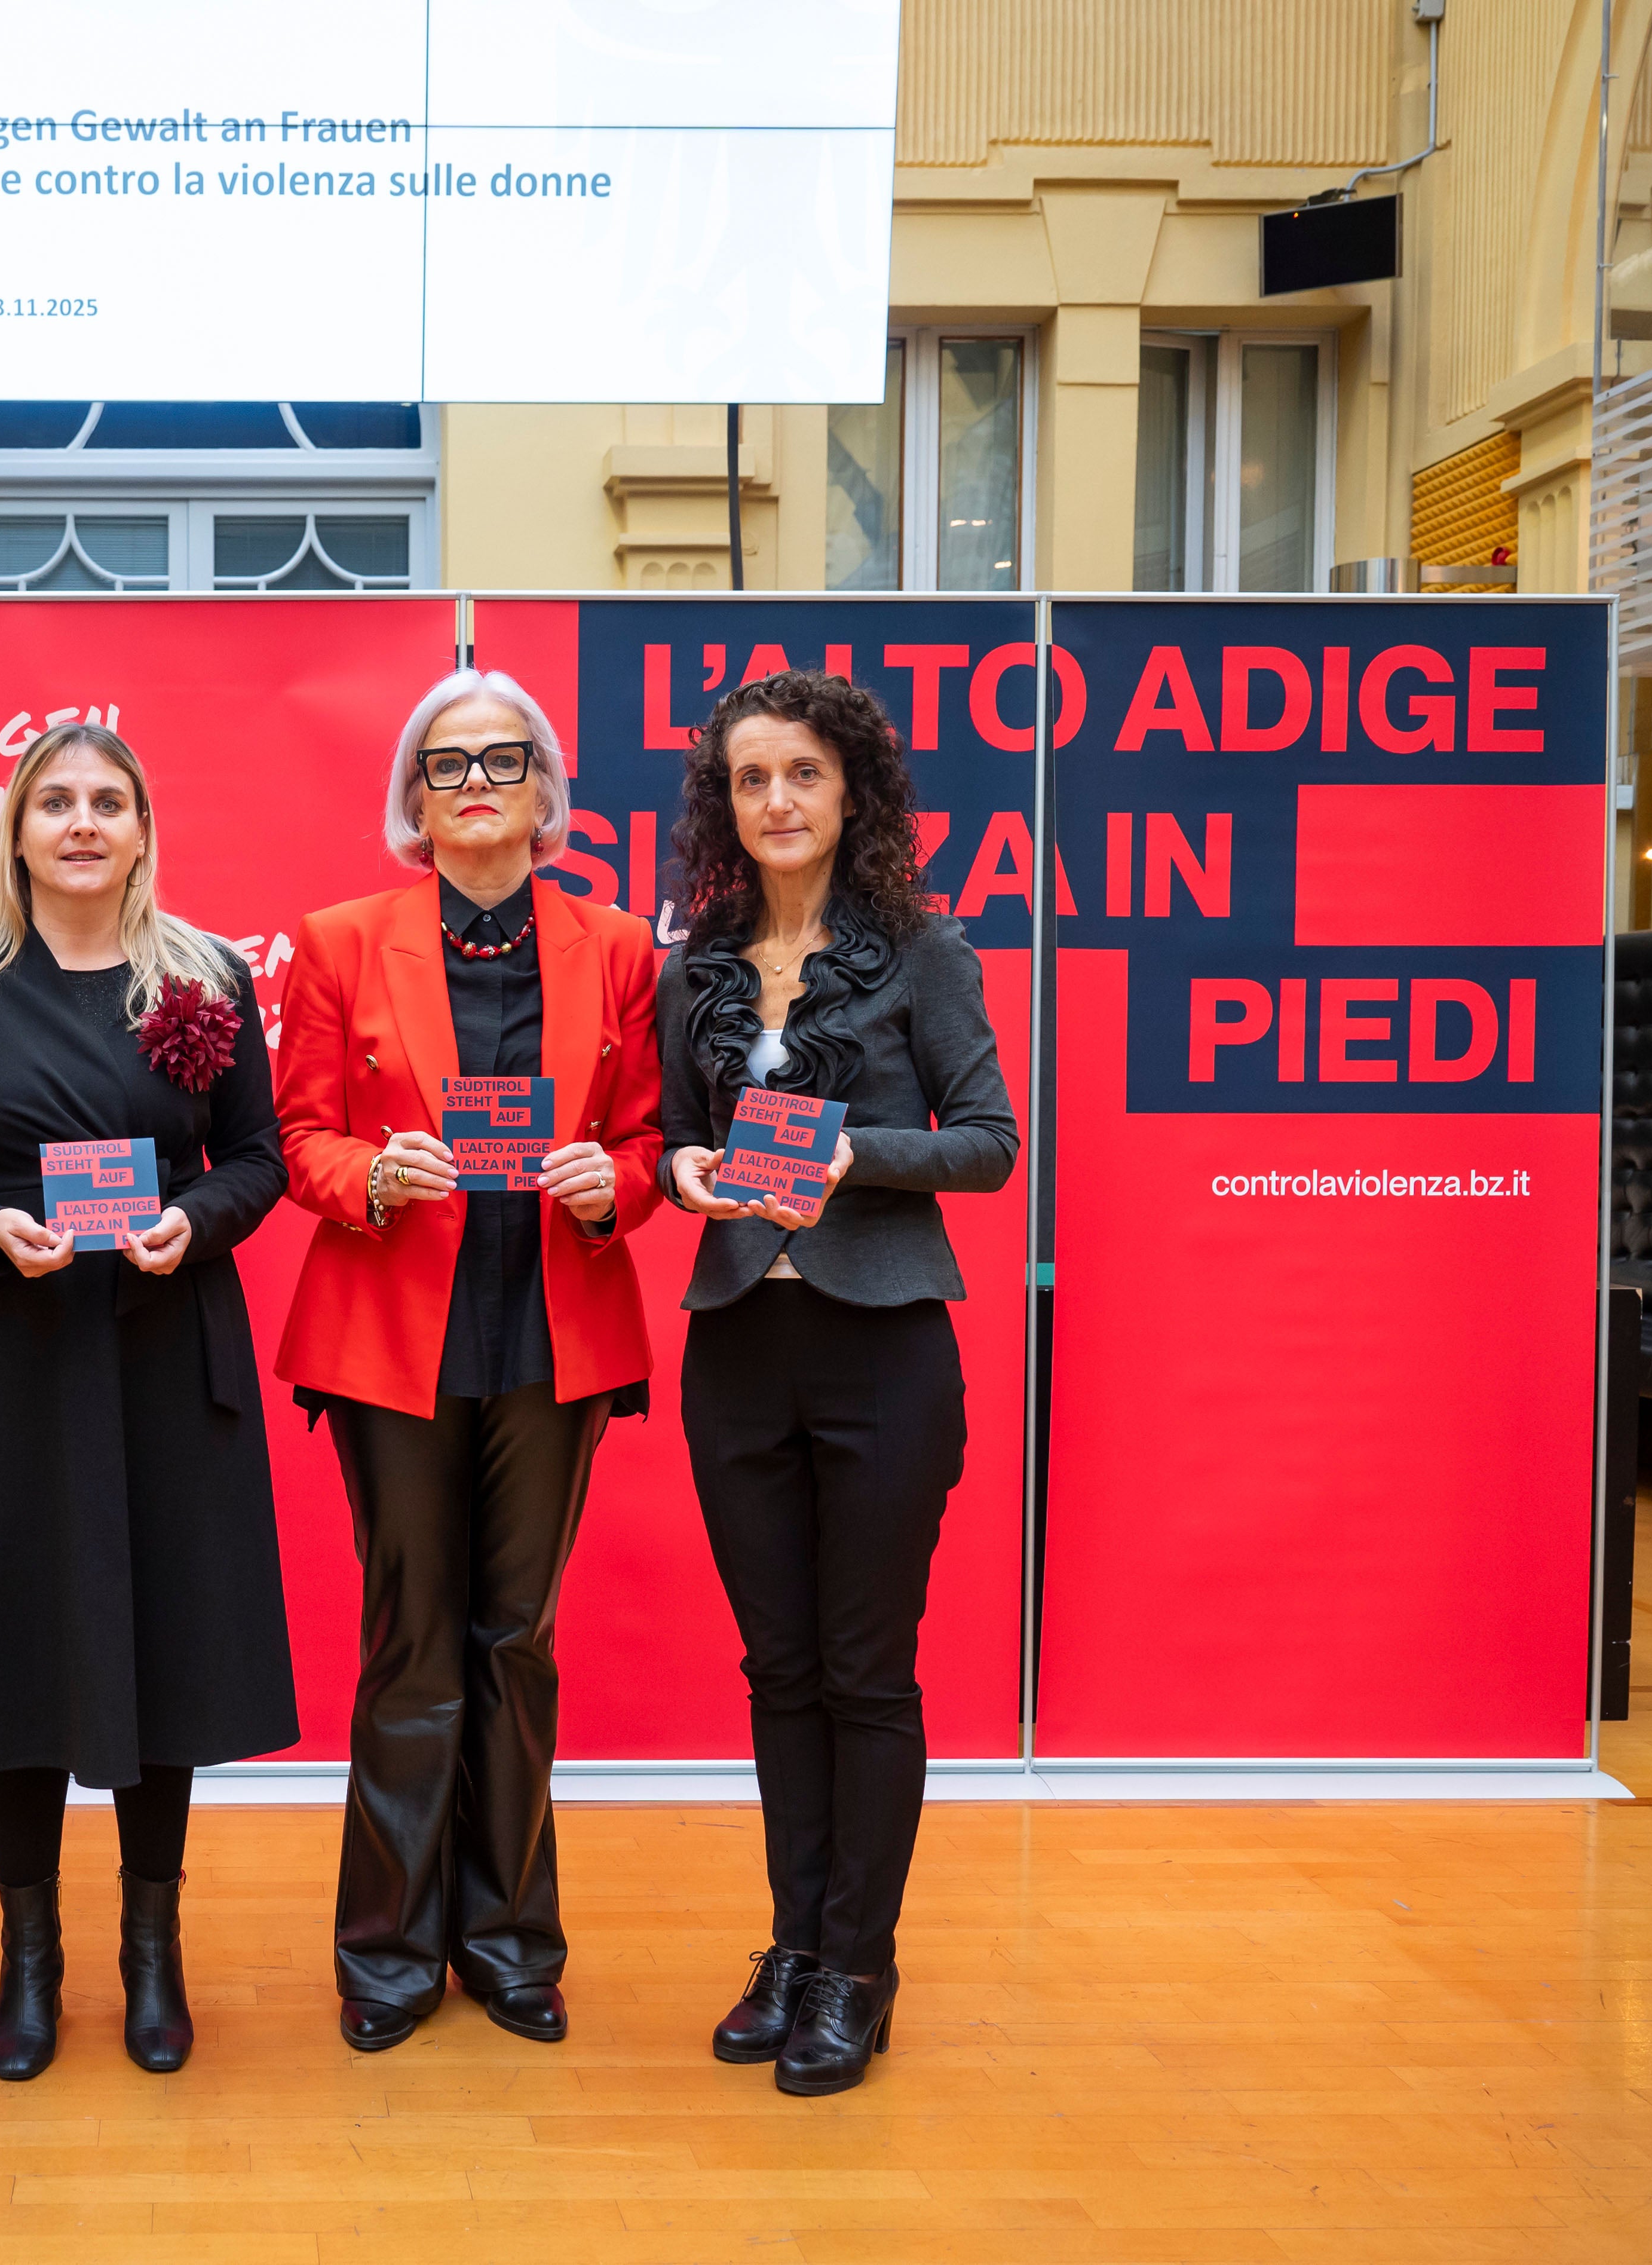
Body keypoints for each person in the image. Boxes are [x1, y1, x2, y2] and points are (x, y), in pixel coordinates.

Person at [0, 722, 297, 2082]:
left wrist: (195, 1218)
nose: (83, 821)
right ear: (16, 827)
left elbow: (262, 1157)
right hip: (5, 1354)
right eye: (55, 800)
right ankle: (31, 1950)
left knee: (162, 1643)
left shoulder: (207, 973)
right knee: (18, 1643)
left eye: (109, 798)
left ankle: (152, 1946)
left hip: (166, 1348)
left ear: (142, 825)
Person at [272, 668, 666, 2055]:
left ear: (548, 789)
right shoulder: (337, 940)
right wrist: (370, 1172)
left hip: (553, 1336)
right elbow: (296, 1133)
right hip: (394, 1336)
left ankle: (507, 1942)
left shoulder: (620, 947)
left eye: (504, 757)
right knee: (413, 1646)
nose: (476, 780)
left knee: (518, 1643)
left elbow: (649, 1141)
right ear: (413, 799)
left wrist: (610, 1184)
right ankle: (384, 1954)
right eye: (447, 765)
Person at [659, 668, 1017, 2097]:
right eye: (750, 779)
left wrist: (854, 1151)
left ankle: (858, 1968)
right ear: (724, 806)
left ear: (849, 790)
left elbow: (989, 1141)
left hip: (883, 1346)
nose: (777, 801)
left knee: (865, 1672)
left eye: (801, 773)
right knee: (777, 1665)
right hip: (738, 1343)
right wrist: (687, 1169)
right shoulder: (695, 964)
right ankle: (796, 1947)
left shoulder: (923, 951)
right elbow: (674, 1139)